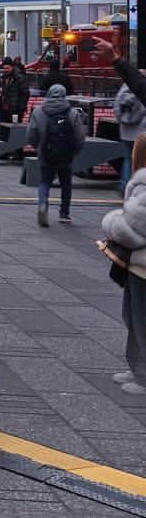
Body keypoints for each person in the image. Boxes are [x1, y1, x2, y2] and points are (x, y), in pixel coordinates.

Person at [100, 133, 146, 394]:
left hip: (143, 267)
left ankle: (143, 375)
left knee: (140, 319)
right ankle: (137, 367)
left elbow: (129, 229)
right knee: (132, 315)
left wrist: (111, 221)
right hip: (138, 266)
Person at [27, 83, 86, 227]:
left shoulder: (38, 112)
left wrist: (39, 148)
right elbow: (80, 137)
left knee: (45, 181)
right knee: (66, 183)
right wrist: (74, 151)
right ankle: (64, 214)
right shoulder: (72, 113)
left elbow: (31, 135)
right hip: (66, 155)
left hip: (46, 153)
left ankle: (42, 205)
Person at [116, 74, 146, 196]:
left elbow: (116, 106)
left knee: (128, 159)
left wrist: (121, 121)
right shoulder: (143, 88)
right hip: (141, 132)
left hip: (125, 131)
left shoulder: (125, 86)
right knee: (140, 161)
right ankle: (137, 189)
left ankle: (124, 186)